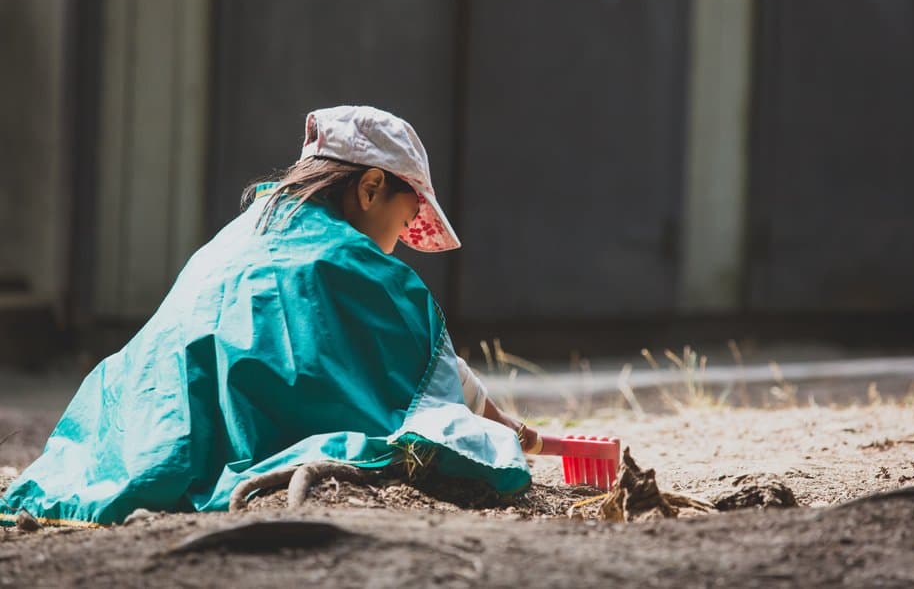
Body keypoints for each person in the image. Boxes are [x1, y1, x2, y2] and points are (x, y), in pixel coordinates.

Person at [1, 106, 538, 527]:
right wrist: (504, 424)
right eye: (403, 223)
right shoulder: (346, 262)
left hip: (128, 422)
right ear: (371, 187)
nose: (397, 246)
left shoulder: (248, 230)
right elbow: (411, 355)